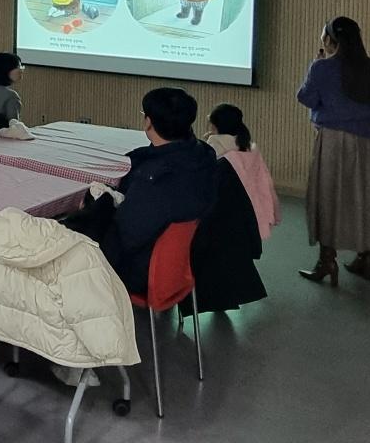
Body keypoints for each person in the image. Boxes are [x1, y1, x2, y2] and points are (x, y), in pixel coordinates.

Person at [296, 16, 370, 284]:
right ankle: (365, 258)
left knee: (329, 198)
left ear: (331, 40)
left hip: (335, 140)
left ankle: (327, 261)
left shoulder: (322, 68)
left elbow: (306, 97)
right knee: (368, 197)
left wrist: (315, 67)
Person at [94, 88, 217, 296]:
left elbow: (127, 235)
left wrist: (99, 208)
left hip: (140, 270)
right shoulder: (203, 155)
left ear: (148, 122)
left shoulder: (155, 178)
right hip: (187, 262)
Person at [206, 103, 280, 241]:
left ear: (215, 127)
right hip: (251, 211)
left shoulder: (213, 148)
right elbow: (265, 181)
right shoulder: (249, 148)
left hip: (223, 215)